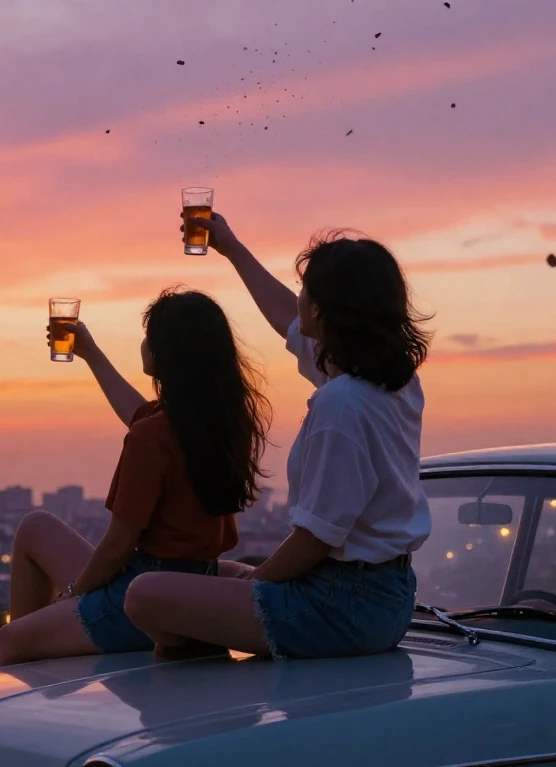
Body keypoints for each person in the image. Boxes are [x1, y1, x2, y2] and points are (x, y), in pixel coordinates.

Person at [123, 214, 432, 661]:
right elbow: (286, 317)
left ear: (326, 308)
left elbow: (317, 537)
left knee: (146, 595)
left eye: (307, 289)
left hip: (341, 604)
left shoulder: (341, 404)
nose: (300, 297)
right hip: (384, 594)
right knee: (216, 576)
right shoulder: (390, 383)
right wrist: (231, 247)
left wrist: (259, 580)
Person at [0, 288, 270, 668]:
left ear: (167, 353)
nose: (144, 344)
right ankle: (39, 650)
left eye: (149, 336)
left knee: (8, 640)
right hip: (193, 579)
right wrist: (90, 352)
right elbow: (139, 413)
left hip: (142, 592)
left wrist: (73, 595)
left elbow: (118, 545)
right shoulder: (216, 424)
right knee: (35, 528)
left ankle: (0, 697)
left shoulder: (152, 436)